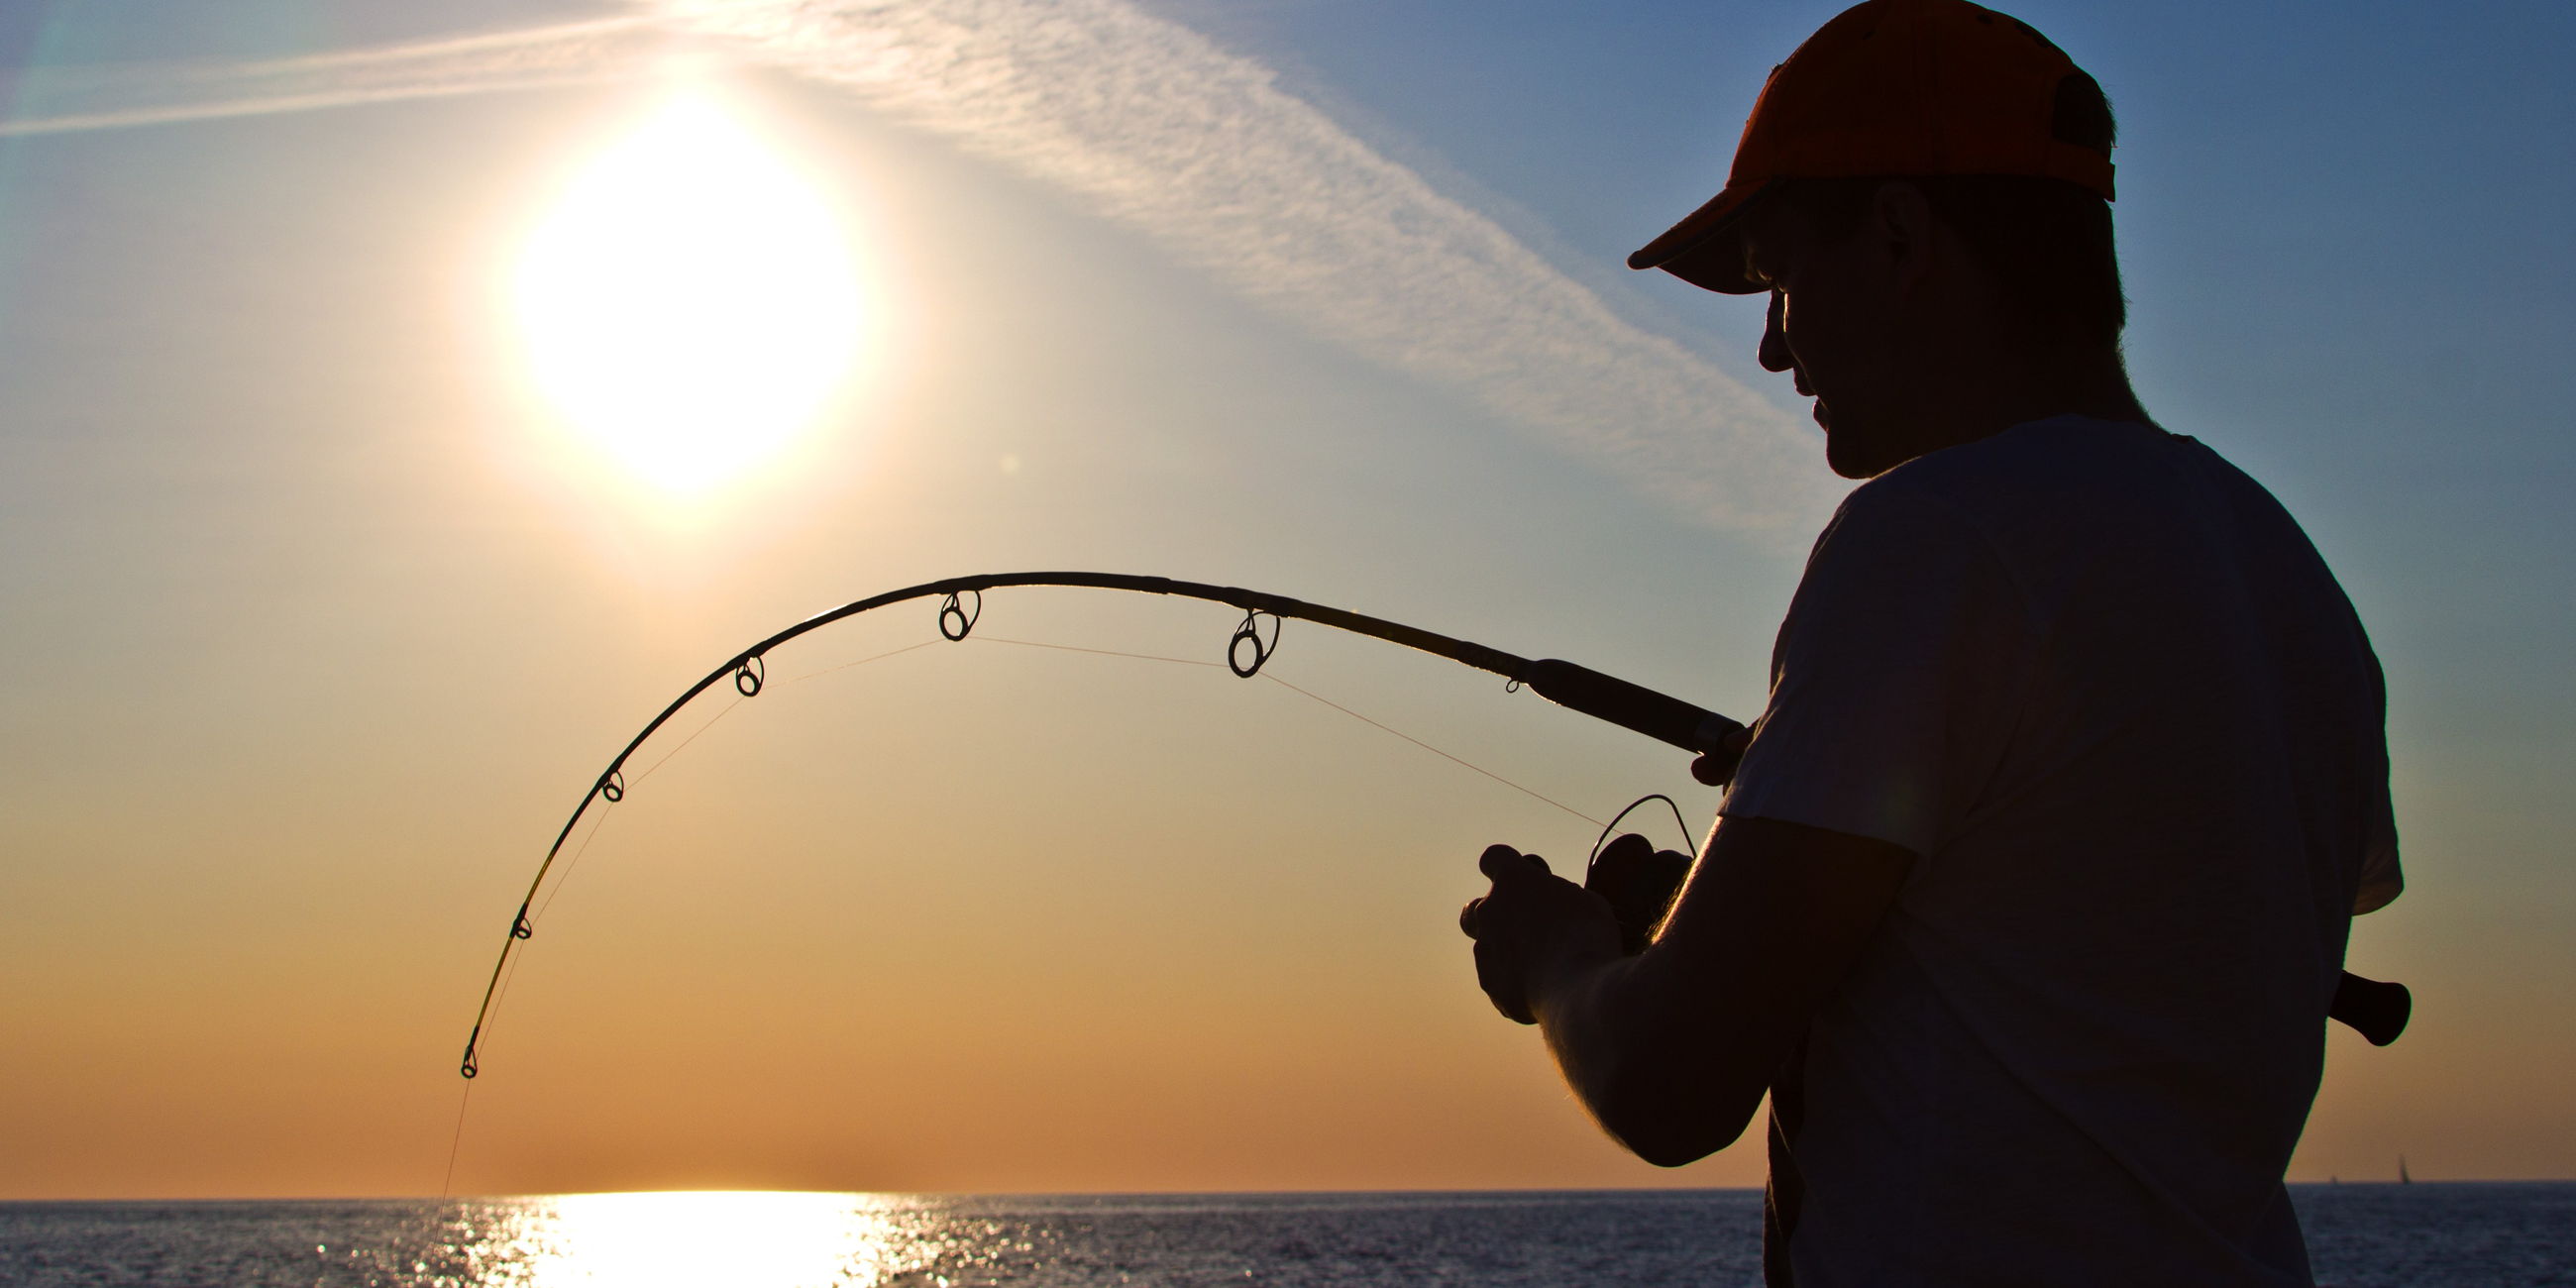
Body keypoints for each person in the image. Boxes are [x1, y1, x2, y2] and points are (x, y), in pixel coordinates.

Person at [1455, 2, 2403, 1284]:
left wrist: (1561, 962)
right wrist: (1746, 897)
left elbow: (1672, 1083)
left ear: (1901, 236)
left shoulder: (1935, 539)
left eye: (1783, 277)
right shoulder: (2289, 575)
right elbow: (2085, 956)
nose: (1773, 343)